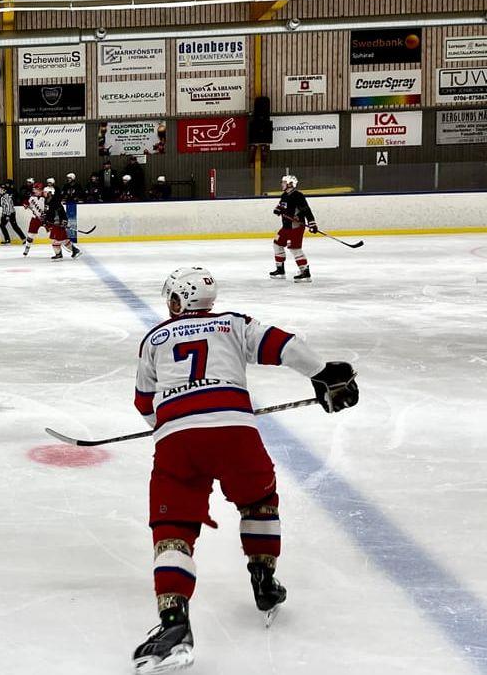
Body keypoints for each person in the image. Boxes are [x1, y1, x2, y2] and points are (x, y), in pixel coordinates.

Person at [129, 266, 359, 672]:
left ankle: (173, 623)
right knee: (259, 501)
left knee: (173, 529)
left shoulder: (153, 339)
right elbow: (286, 345)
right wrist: (323, 374)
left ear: (179, 301)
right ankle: (264, 578)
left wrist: (168, 428)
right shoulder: (233, 324)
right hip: (236, 432)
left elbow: (144, 406)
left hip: (176, 441)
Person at [271, 174, 317, 283]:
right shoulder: (284, 195)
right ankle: (280, 270)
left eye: (284, 182)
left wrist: (312, 223)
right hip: (286, 227)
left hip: (296, 227)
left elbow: (306, 210)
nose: (282, 184)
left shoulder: (298, 196)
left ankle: (305, 272)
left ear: (290, 184)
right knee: (277, 244)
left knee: (294, 249)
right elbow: (281, 206)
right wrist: (278, 209)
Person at [42, 185, 81, 260]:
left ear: (50, 193)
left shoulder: (56, 202)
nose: (44, 193)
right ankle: (74, 251)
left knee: (56, 240)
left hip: (58, 224)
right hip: (54, 224)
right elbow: (48, 212)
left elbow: (62, 213)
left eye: (45, 192)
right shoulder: (47, 201)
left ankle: (60, 254)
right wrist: (45, 219)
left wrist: (64, 221)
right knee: (63, 239)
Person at [21, 182, 47, 256]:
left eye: (36, 189)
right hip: (35, 218)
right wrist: (25, 204)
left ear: (41, 190)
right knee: (30, 235)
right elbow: (26, 203)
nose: (34, 191)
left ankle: (62, 248)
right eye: (34, 189)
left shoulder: (46, 197)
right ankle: (27, 249)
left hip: (46, 219)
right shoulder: (31, 197)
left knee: (55, 233)